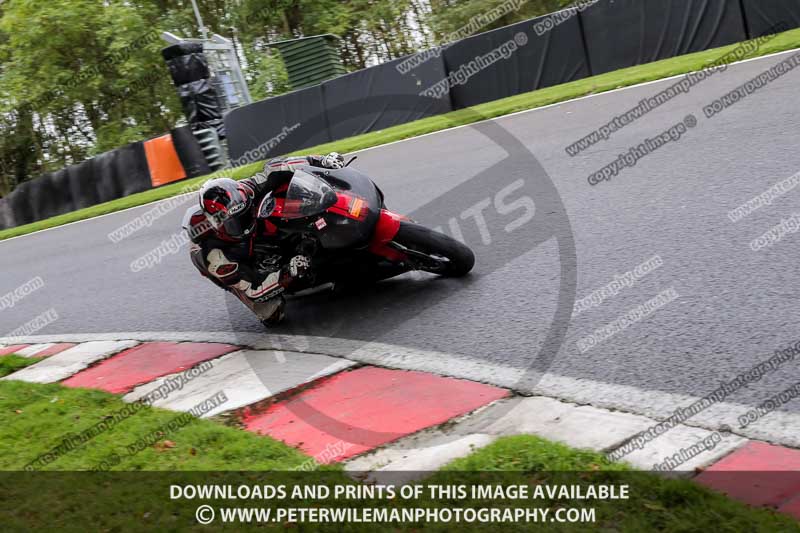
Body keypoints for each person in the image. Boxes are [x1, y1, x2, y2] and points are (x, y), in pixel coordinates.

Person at [185, 152, 345, 321]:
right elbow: (254, 290)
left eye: (244, 216)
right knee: (271, 312)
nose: (242, 226)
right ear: (216, 225)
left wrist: (321, 160)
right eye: (233, 223)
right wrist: (287, 273)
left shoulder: (244, 192)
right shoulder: (214, 255)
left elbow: (277, 167)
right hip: (234, 261)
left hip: (253, 230)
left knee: (283, 200)